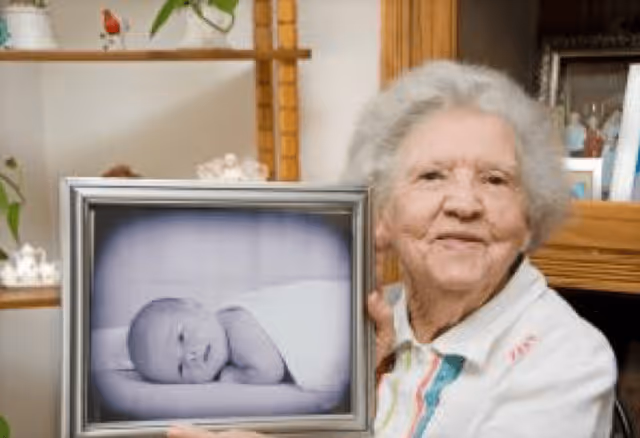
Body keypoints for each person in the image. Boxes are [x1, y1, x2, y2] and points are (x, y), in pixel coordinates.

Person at [167, 60, 617, 438]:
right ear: (380, 217)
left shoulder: (567, 360)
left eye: (494, 179)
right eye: (432, 176)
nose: (464, 203)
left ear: (529, 218)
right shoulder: (367, 321)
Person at [127, 280, 351, 392]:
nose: (191, 355)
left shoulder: (236, 324)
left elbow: (269, 370)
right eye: (181, 369)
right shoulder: (222, 330)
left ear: (195, 306)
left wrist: (233, 377)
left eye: (181, 337)